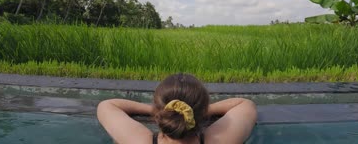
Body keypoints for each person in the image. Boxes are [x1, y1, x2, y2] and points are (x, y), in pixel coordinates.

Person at [97, 73, 258, 144]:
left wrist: (156, 110)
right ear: (200, 112)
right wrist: (196, 112)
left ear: (160, 110)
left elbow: (107, 105)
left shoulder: (140, 141)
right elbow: (245, 105)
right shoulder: (220, 140)